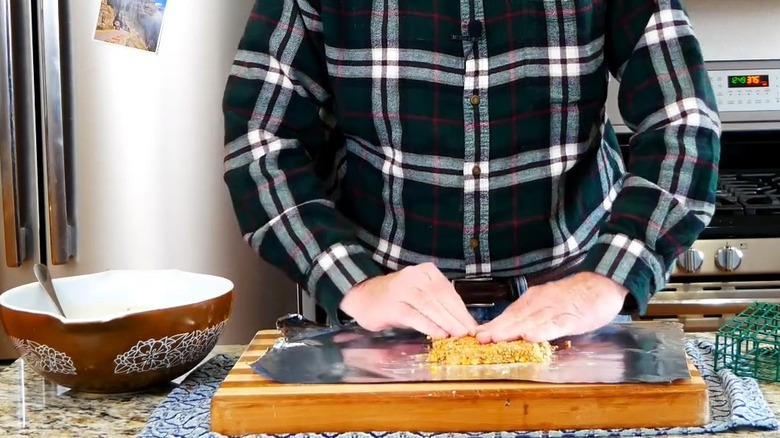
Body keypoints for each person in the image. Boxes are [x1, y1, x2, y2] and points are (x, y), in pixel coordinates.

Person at [222, 0, 720, 344]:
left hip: (571, 314)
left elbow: (683, 123)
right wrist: (354, 284)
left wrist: (607, 281)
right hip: (383, 320)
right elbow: (261, 142)